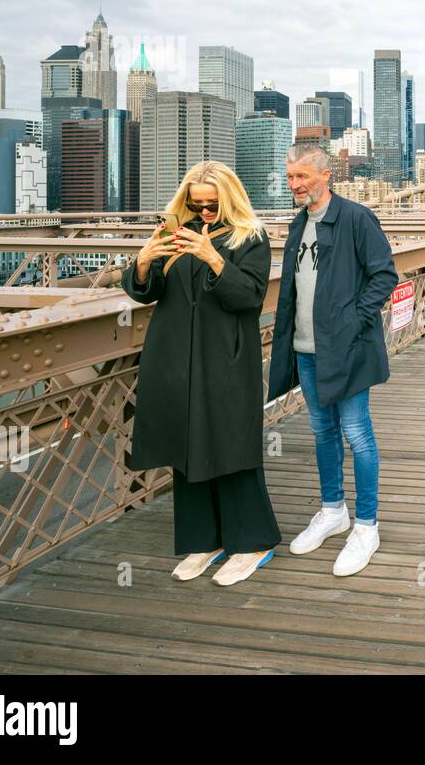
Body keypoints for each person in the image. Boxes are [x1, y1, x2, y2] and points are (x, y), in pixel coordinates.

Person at [122, 160, 279, 586]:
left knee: (231, 446)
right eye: (196, 204)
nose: (203, 213)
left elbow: (249, 296)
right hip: (174, 356)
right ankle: (204, 539)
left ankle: (252, 542)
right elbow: (147, 291)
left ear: (228, 199)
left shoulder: (251, 236)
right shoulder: (176, 231)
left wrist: (213, 258)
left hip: (225, 358)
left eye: (211, 206)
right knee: (186, 447)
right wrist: (141, 263)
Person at [268, 143, 399, 576]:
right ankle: (332, 510)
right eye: (290, 178)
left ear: (327, 176)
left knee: (358, 434)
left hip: (349, 348)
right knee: (322, 431)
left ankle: (366, 525)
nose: (295, 185)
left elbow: (384, 275)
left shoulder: (356, 219)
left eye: (302, 176)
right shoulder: (296, 225)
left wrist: (353, 320)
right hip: (306, 350)